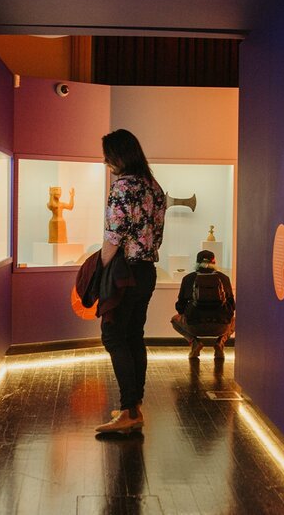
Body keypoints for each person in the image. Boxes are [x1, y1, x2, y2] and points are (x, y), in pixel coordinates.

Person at [95, 129, 166, 434]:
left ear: (120, 155)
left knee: (113, 336)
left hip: (125, 274)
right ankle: (134, 407)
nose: (105, 162)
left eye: (108, 156)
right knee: (134, 335)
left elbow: (114, 236)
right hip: (147, 271)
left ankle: (129, 410)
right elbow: (157, 235)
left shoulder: (123, 186)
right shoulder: (153, 186)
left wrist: (99, 269)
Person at [171, 250, 235, 360]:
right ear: (214, 262)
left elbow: (180, 307)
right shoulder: (224, 278)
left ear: (197, 262)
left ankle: (194, 342)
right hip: (221, 326)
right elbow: (232, 306)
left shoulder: (188, 278)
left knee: (174, 320)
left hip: (194, 326)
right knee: (236, 320)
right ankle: (220, 343)